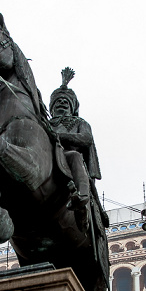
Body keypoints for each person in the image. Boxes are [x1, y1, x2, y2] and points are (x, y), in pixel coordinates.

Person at [49, 68, 108, 229]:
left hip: (68, 159)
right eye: (57, 101)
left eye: (65, 102)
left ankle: (82, 199)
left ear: (72, 108)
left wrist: (61, 137)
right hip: (46, 158)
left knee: (74, 156)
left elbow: (86, 139)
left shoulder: (79, 123)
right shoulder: (45, 124)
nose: (61, 103)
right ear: (51, 108)